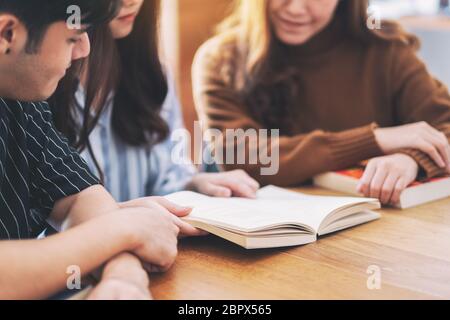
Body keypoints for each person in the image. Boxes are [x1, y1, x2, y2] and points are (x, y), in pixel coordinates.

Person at [0, 0, 196, 300]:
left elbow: (80, 197)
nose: (84, 50)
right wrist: (124, 229)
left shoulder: (20, 101)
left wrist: (124, 278)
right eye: (73, 37)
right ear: (7, 34)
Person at [192, 0, 450, 206]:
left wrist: (412, 159)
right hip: (263, 243)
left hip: (377, 239)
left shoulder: (385, 50)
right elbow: (241, 157)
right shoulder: (221, 59)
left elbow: (444, 126)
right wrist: (376, 140)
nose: (294, 8)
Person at [50, 0, 260, 205]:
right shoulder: (42, 84)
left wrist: (193, 184)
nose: (133, 2)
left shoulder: (151, 74)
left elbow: (168, 178)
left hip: (152, 237)